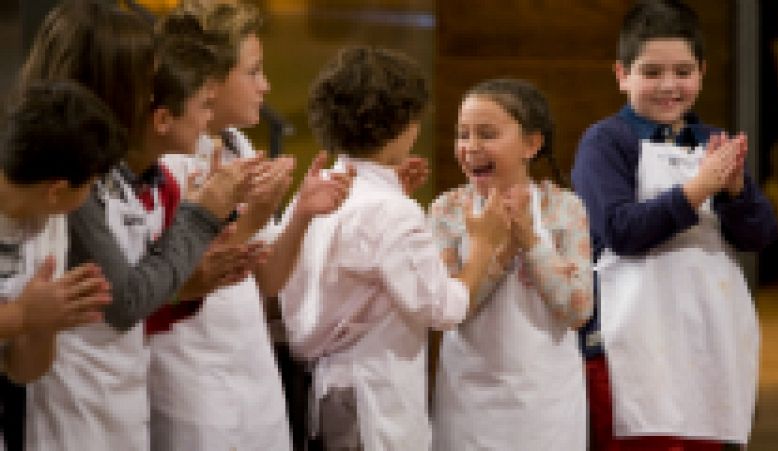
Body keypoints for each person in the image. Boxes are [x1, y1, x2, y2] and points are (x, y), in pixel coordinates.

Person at [21, 3, 282, 450]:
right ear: (110, 85)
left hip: (125, 400)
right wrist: (202, 216)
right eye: (144, 75)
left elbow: (147, 289)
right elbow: (124, 301)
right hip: (77, 409)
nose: (153, 89)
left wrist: (190, 281)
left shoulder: (125, 176)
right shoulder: (69, 183)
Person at [571, 1, 778, 449]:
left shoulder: (711, 141)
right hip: (631, 344)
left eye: (683, 71)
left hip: (710, 339)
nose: (669, 85)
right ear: (621, 74)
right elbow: (620, 231)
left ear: (702, 72)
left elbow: (759, 236)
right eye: (651, 72)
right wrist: (699, 189)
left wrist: (736, 192)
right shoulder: (606, 141)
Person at [278, 46, 509, 450]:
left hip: (328, 389)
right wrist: (482, 246)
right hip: (373, 401)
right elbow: (444, 308)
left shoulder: (322, 190)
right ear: (402, 124)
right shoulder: (391, 212)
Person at [148, 3, 353, 450]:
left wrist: (299, 214)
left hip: (252, 369)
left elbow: (267, 278)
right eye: (254, 72)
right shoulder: (167, 159)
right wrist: (254, 218)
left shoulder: (239, 145)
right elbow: (177, 281)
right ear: (211, 81)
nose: (266, 85)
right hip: (192, 376)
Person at [429, 78, 592, 450]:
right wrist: (498, 255)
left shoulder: (564, 208)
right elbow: (451, 310)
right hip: (468, 400)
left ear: (531, 144)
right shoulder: (446, 209)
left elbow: (578, 309)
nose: (471, 147)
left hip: (546, 405)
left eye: (486, 134)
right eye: (462, 134)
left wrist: (532, 242)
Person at [0, 80, 126, 450]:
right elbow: (21, 317)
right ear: (56, 188)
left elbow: (23, 370)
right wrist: (22, 316)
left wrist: (46, 324)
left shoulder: (48, 220)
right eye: (90, 185)